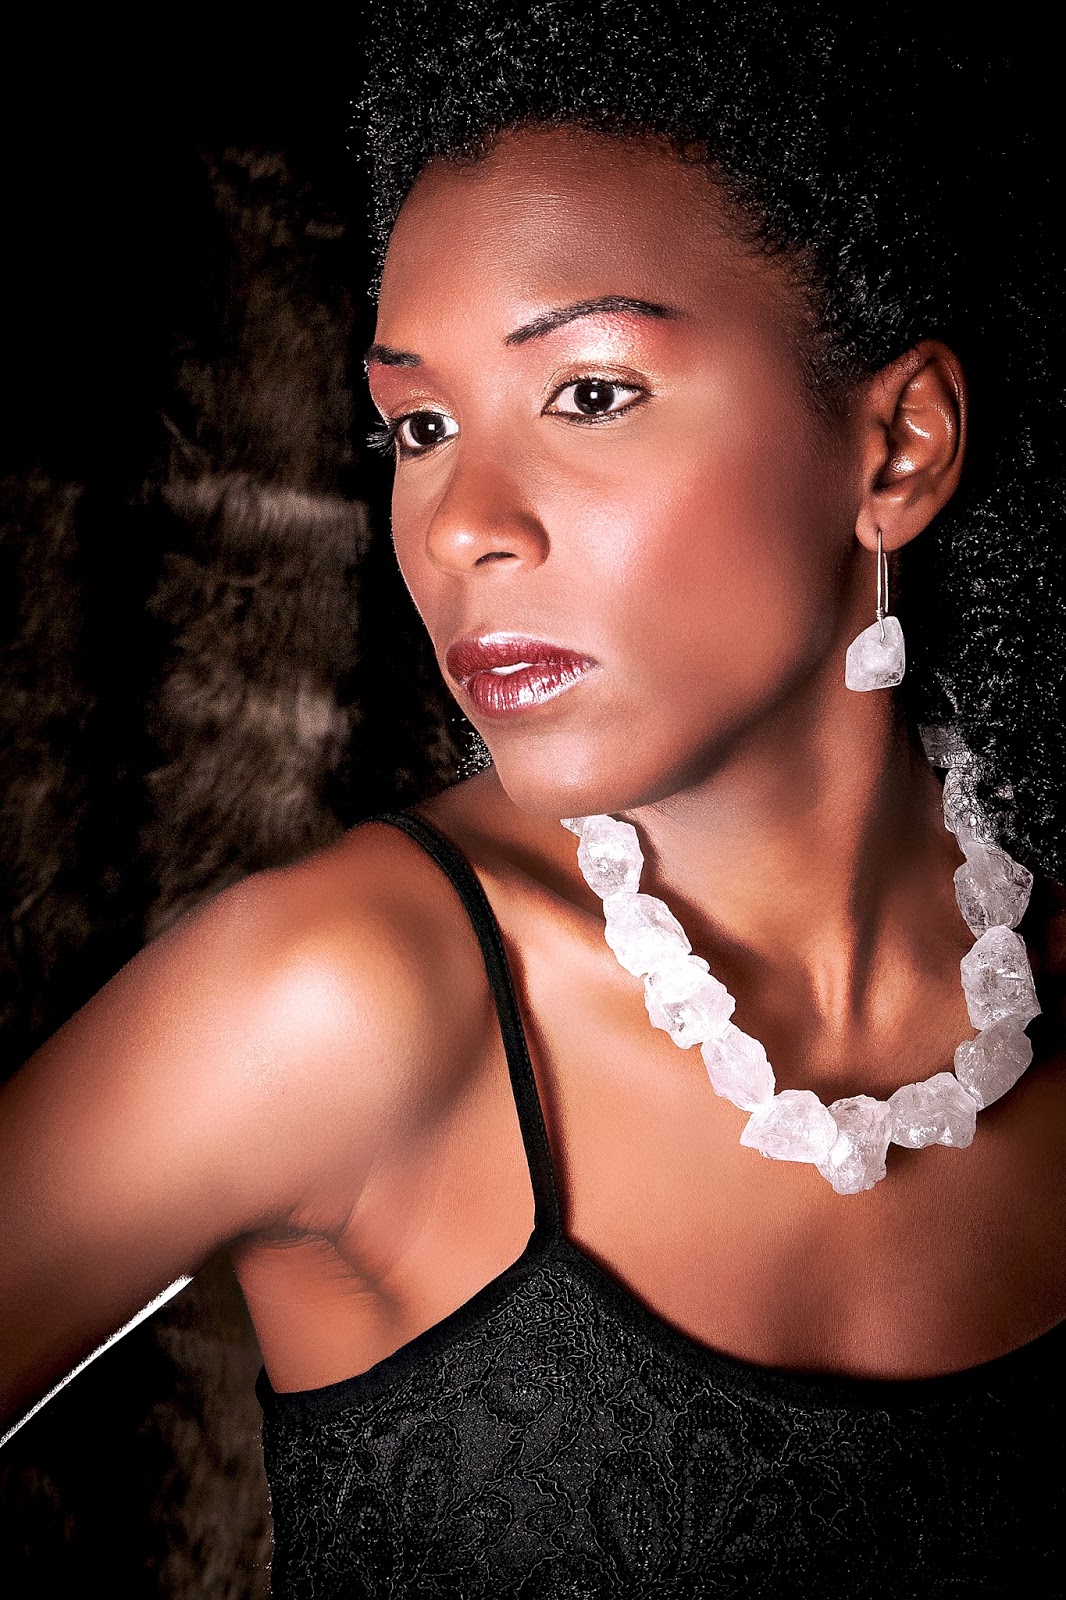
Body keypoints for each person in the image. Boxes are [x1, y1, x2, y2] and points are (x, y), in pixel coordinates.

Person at [3, 1, 1065, 1593]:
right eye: (419, 427)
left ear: (896, 446)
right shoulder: (339, 997)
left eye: (589, 394)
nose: (458, 524)